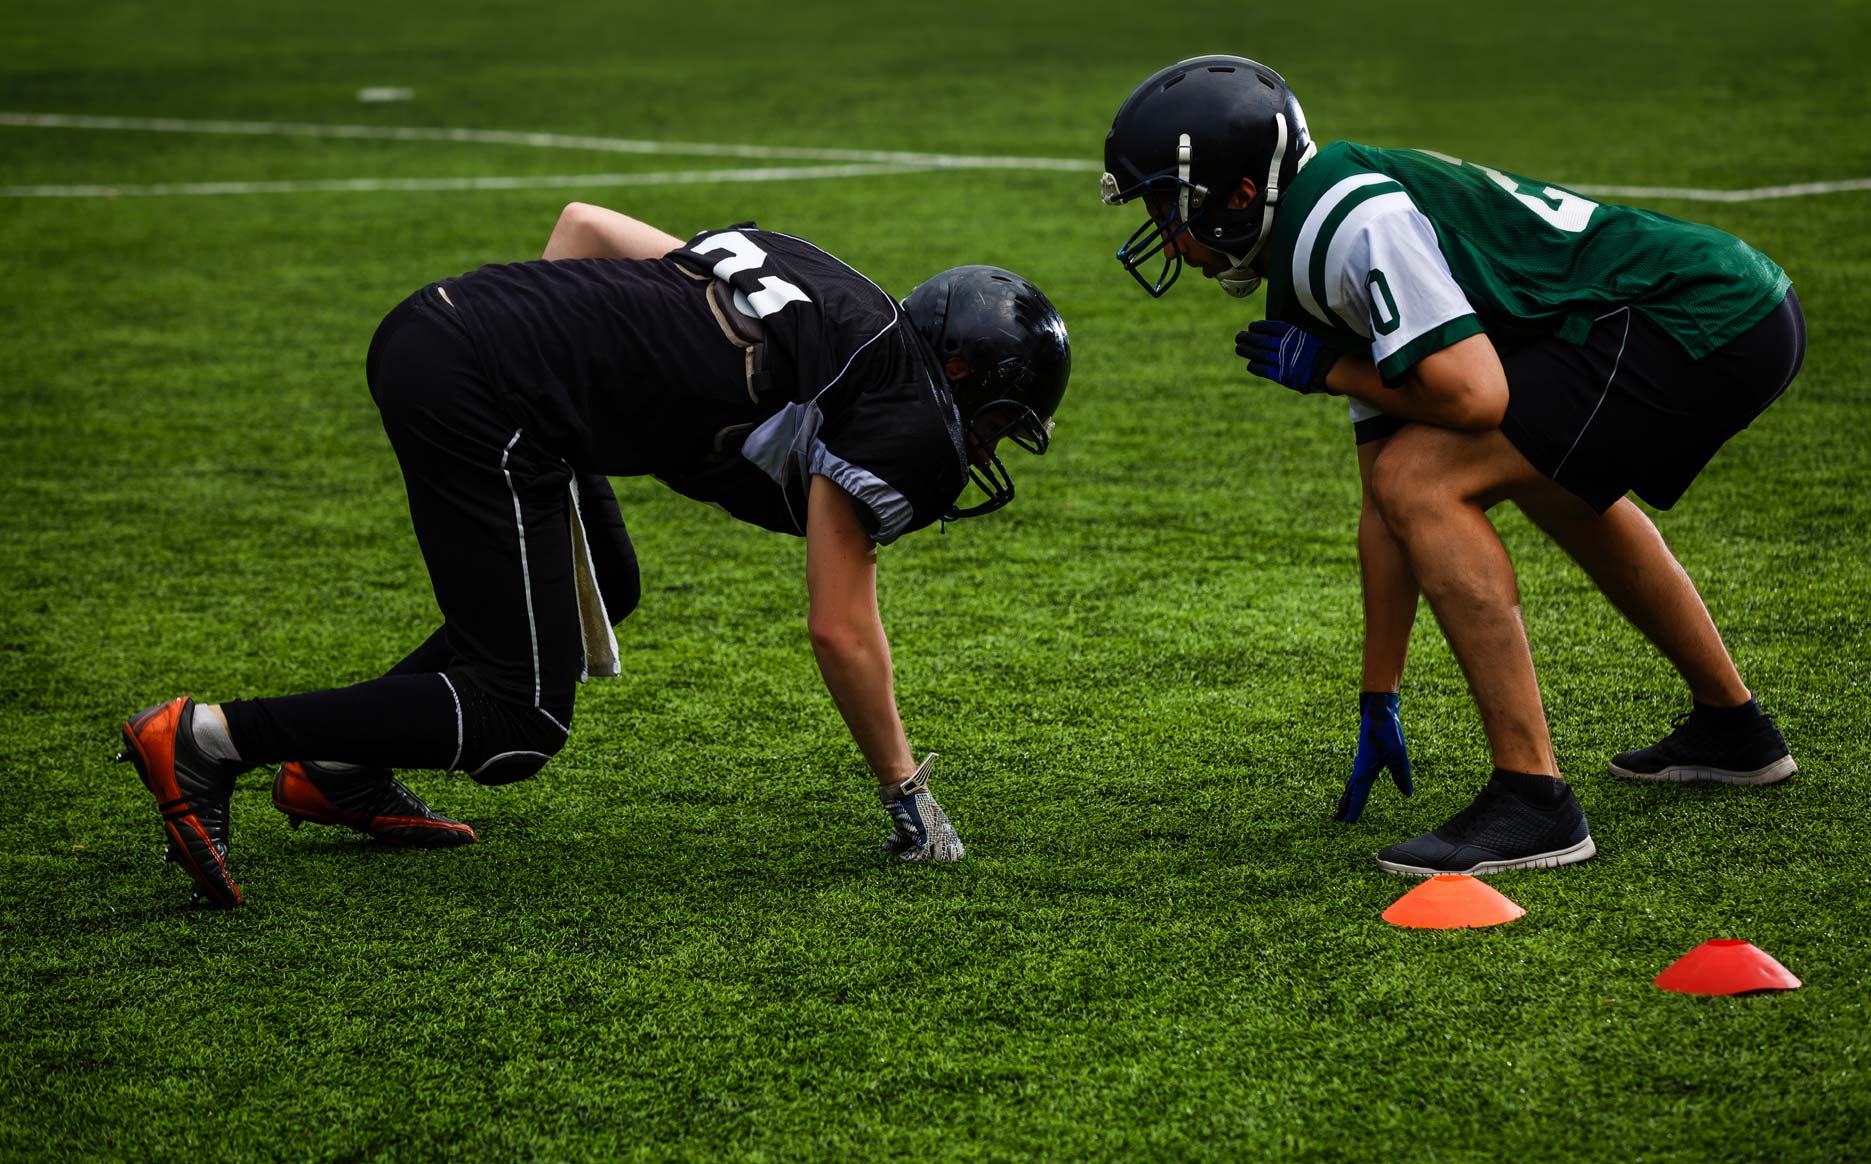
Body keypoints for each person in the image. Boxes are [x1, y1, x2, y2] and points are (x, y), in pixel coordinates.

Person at [117, 203, 1070, 907]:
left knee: (596, 592)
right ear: (956, 372)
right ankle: (206, 738)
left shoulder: (832, 294)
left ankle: (335, 770)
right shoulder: (900, 407)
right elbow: (838, 628)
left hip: (472, 334)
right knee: (517, 717)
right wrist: (905, 791)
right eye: (993, 423)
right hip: (485, 386)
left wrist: (579, 375)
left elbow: (582, 230)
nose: (978, 452)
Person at [1100, 56, 1803, 875]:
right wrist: (1378, 689)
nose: (1160, 226)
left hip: (1696, 313)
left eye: (1164, 201)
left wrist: (1329, 370)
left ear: (1237, 191)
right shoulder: (1311, 238)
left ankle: (1533, 797)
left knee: (1428, 478)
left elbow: (1470, 398)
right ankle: (1734, 729)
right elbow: (1382, 502)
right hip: (1708, 309)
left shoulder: (1346, 220)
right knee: (1510, 486)